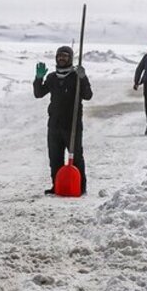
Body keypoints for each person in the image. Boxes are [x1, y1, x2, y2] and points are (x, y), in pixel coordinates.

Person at [33, 45, 93, 194]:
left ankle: (80, 186)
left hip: (72, 125)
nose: (62, 58)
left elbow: (88, 95)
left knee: (76, 156)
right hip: (54, 124)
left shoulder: (76, 77)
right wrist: (38, 79)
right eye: (59, 56)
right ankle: (57, 185)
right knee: (55, 157)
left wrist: (83, 78)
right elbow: (39, 93)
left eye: (65, 56)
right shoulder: (52, 77)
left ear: (70, 58)